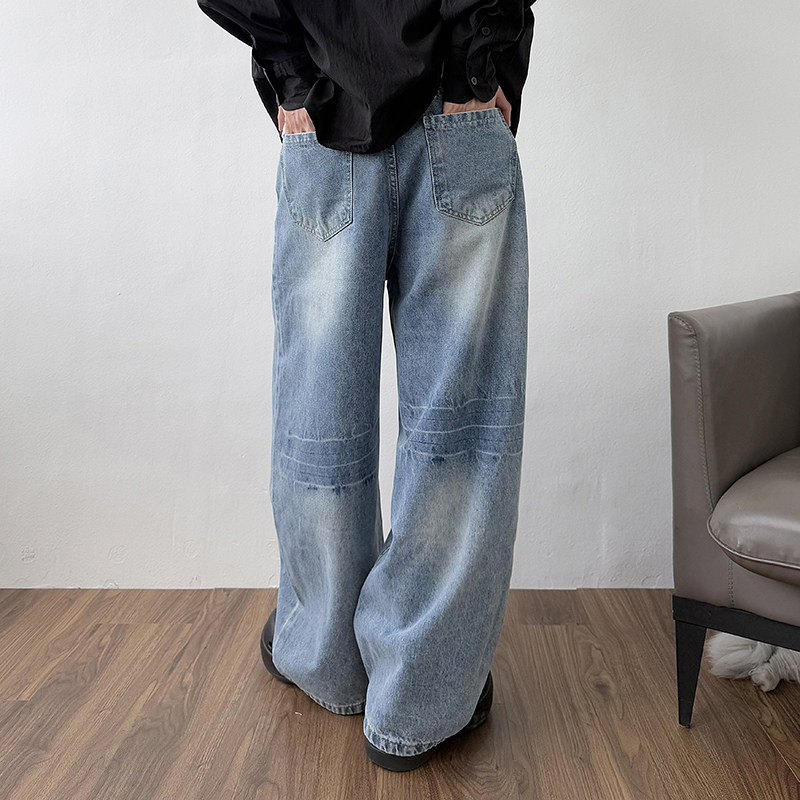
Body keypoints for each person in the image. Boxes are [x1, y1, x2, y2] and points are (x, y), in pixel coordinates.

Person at [197, 0, 536, 772]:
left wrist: (293, 74)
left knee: (319, 410)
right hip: (458, 105)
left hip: (324, 112)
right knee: (461, 427)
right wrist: (476, 66)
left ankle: (329, 660)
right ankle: (422, 698)